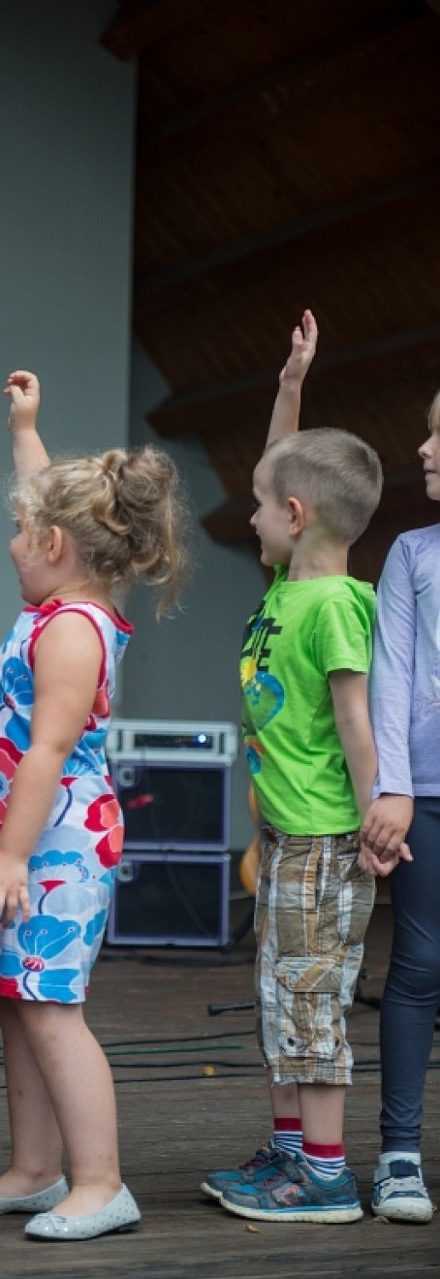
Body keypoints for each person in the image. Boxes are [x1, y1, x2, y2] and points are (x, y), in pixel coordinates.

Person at [0, 369, 192, 1242]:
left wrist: (8, 856)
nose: (11, 539)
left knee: (51, 1006)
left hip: (52, 846)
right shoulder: (59, 595)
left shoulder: (74, 628)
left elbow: (45, 750)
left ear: (54, 542)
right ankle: (35, 1168)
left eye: (20, 529)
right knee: (17, 995)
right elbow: (48, 495)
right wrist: (26, 424)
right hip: (19, 838)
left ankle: (102, 1182)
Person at [203, 310, 385, 1223]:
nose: (250, 517)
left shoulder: (335, 608)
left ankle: (322, 1176)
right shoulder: (288, 585)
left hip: (324, 837)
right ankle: (286, 1155)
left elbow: (356, 720)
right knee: (281, 996)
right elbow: (283, 472)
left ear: (297, 519)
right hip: (285, 834)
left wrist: (377, 812)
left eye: (260, 508)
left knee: (312, 1005)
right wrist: (290, 385)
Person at [360, 388, 440, 1224]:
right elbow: (394, 676)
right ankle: (399, 1156)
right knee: (417, 966)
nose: (423, 448)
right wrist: (395, 786)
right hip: (428, 793)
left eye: (438, 434)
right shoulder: (412, 552)